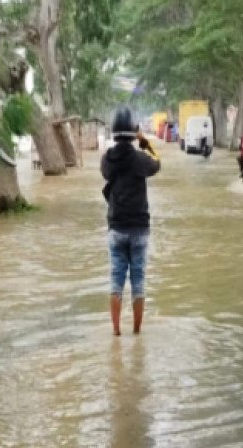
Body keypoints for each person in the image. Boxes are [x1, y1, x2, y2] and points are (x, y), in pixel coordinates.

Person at [101, 105, 161, 335]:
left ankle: (116, 331)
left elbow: (105, 173)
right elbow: (157, 163)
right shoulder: (140, 159)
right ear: (133, 132)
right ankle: (136, 331)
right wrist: (144, 141)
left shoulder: (108, 159)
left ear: (114, 132)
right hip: (139, 230)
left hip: (116, 229)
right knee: (138, 283)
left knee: (116, 282)